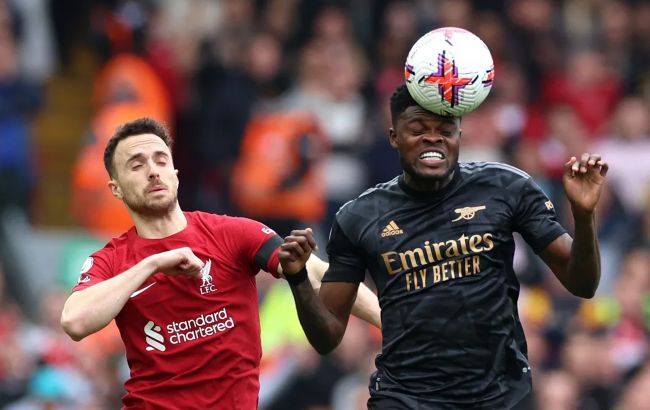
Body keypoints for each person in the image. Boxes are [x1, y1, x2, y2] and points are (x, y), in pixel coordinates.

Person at [279, 84, 609, 409]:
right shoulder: (360, 217)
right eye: (418, 129)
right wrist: (298, 278)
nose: (433, 138)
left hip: (501, 395)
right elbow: (327, 338)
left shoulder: (506, 187)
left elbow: (582, 284)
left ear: (459, 135)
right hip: (405, 399)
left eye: (445, 130)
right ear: (394, 137)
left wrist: (583, 216)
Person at [59, 117, 380, 409]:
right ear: (115, 188)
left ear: (175, 174)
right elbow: (75, 321)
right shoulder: (112, 259)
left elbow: (319, 272)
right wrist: (151, 264)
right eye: (137, 165)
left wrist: (392, 321)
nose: (153, 170)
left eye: (161, 160)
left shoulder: (232, 233)